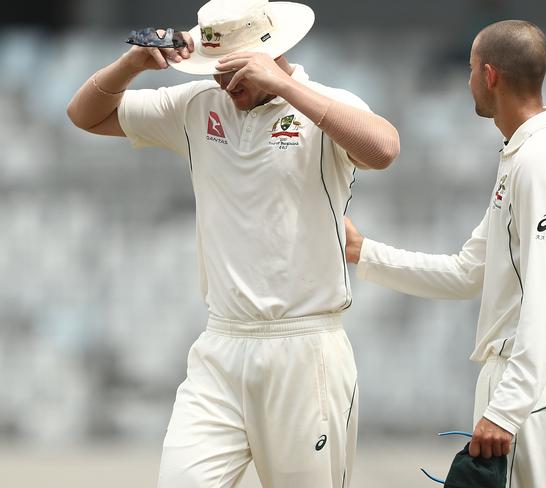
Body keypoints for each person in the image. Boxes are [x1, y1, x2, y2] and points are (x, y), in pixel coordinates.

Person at [67, 0, 400, 487]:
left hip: (306, 351)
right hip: (221, 348)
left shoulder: (325, 103)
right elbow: (85, 115)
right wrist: (132, 63)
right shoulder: (196, 106)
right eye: (218, 71)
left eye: (238, 74)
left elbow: (384, 149)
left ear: (271, 53)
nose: (227, 86)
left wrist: (286, 86)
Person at [345, 20, 546, 487]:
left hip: (538, 397)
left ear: (490, 75)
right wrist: (365, 253)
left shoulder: (540, 161)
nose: (468, 79)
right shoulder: (532, 152)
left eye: (472, 69)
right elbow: (467, 271)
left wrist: (506, 410)